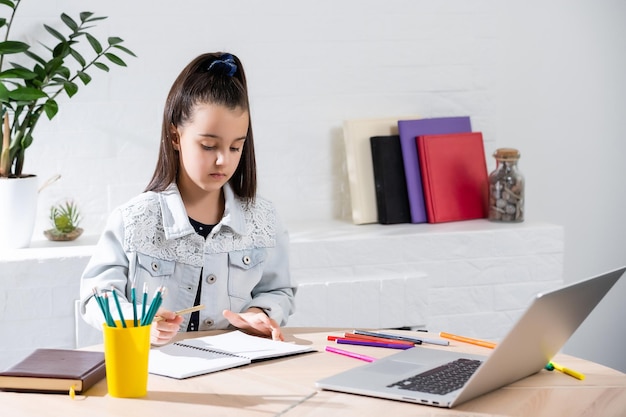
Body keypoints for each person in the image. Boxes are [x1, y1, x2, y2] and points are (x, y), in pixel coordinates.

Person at [79, 52, 295, 345]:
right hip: (153, 376)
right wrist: (138, 320)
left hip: (238, 370)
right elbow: (95, 299)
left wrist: (258, 313)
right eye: (208, 145)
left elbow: (279, 290)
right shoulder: (133, 220)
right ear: (175, 137)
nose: (223, 160)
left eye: (235, 148)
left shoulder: (263, 220)